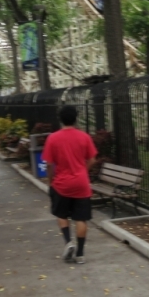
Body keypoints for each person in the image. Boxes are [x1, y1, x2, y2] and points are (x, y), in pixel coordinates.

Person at [41, 105, 97, 264]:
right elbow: (92, 159)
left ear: (60, 119)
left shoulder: (53, 138)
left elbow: (49, 164)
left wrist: (51, 180)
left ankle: (68, 242)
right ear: (75, 118)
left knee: (62, 215)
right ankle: (80, 254)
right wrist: (83, 171)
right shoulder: (84, 137)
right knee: (81, 219)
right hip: (81, 184)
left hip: (61, 184)